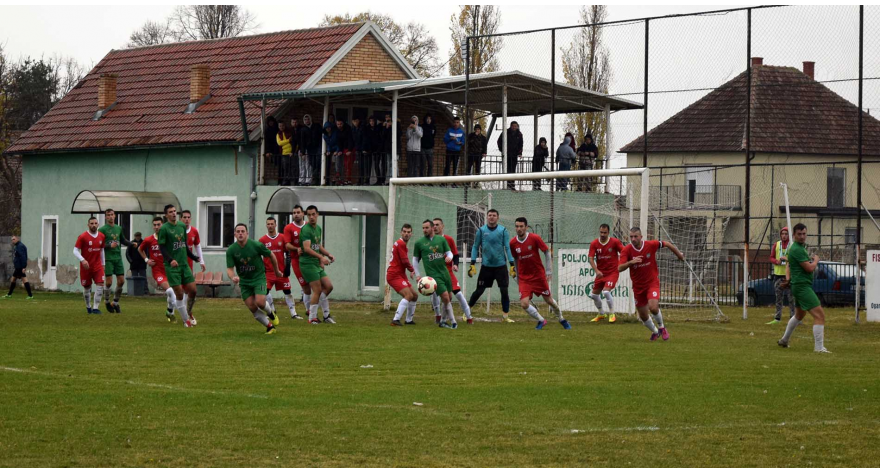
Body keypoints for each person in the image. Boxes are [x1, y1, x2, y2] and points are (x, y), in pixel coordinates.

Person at [618, 227, 685, 341]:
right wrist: (631, 262)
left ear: (641, 237)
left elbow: (667, 243)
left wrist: (679, 254)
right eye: (631, 237)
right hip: (638, 287)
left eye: (635, 236)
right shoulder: (627, 250)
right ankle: (655, 332)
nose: (633, 239)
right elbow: (619, 268)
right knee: (643, 316)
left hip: (651, 283)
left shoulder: (650, 245)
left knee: (653, 307)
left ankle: (662, 327)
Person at [777, 223, 831, 353]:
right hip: (802, 287)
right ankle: (819, 348)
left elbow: (789, 265)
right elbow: (809, 268)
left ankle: (784, 340)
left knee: (799, 315)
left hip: (798, 285)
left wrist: (789, 279)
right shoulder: (797, 249)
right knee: (820, 315)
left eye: (804, 234)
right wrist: (816, 260)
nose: (802, 237)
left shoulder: (797, 248)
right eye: (799, 234)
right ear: (794, 235)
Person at [510, 217, 569, 330]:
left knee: (549, 301)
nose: (519, 229)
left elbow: (546, 251)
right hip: (524, 278)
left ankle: (561, 318)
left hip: (538, 276)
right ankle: (541, 320)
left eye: (521, 226)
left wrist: (548, 270)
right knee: (524, 304)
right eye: (517, 226)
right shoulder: (512, 243)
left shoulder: (534, 238)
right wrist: (517, 275)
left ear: (526, 227)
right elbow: (516, 259)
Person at [226, 223, 282, 335]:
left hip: (258, 278)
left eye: (243, 231)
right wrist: (233, 277)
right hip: (244, 281)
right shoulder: (231, 250)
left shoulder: (256, 245)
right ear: (235, 234)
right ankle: (270, 327)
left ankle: (271, 313)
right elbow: (230, 269)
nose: (240, 233)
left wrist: (276, 271)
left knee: (260, 302)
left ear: (247, 233)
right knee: (252, 306)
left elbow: (271, 255)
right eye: (238, 231)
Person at [467, 209, 516, 322]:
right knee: (479, 290)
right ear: (487, 217)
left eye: (494, 215)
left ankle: (505, 316)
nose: (491, 217)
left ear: (498, 217)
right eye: (489, 215)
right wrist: (472, 263)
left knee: (504, 291)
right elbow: (475, 247)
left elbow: (507, 247)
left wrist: (512, 264)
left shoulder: (503, 230)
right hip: (486, 267)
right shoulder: (481, 230)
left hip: (501, 267)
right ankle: (467, 311)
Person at [157, 204, 201, 328]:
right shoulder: (164, 229)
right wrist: (170, 260)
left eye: (175, 211)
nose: (173, 213)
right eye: (170, 212)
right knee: (179, 293)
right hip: (172, 267)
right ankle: (186, 320)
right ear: (166, 215)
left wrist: (193, 257)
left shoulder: (181, 226)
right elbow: (162, 247)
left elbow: (184, 245)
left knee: (193, 290)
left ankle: (188, 312)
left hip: (184, 264)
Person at [412, 220, 456, 329]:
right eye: (423, 228)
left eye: (426, 228)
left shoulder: (441, 239)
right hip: (433, 275)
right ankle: (453, 322)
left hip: (444, 272)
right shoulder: (419, 243)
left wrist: (449, 257)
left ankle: (442, 321)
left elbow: (449, 252)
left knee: (449, 297)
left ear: (432, 228)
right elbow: (415, 260)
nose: (424, 230)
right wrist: (418, 275)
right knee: (445, 297)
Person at [433, 218, 473, 324]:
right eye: (433, 225)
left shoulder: (448, 239)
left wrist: (455, 264)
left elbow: (455, 255)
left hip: (448, 272)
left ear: (442, 226)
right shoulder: (429, 241)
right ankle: (438, 316)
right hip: (435, 272)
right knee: (434, 293)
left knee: (458, 293)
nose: (435, 227)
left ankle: (469, 317)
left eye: (437, 224)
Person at [300, 205, 336, 324]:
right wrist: (321, 257)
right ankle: (312, 318)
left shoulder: (318, 228)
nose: (311, 217)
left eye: (313, 214)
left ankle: (325, 316)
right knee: (317, 289)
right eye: (309, 215)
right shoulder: (306, 229)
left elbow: (317, 246)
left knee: (329, 286)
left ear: (317, 214)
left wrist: (328, 254)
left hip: (315, 263)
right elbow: (307, 248)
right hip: (307, 264)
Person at [139, 217, 177, 322]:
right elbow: (140, 249)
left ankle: (170, 311)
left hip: (169, 269)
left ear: (163, 225)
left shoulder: (169, 238)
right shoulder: (149, 239)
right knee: (170, 290)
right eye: (154, 225)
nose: (156, 227)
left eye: (158, 224)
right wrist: (147, 260)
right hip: (157, 271)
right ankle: (180, 311)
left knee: (171, 292)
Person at [260, 217, 299, 319]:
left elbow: (288, 253)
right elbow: (259, 256)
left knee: (287, 291)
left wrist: (288, 266)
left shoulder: (282, 237)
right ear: (266, 225)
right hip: (269, 272)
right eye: (268, 224)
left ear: (276, 225)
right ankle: (272, 310)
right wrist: (261, 268)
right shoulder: (262, 240)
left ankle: (293, 313)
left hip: (281, 271)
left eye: (272, 224)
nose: (270, 226)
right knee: (265, 292)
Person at [588, 223, 625, 323]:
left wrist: (621, 264)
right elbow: (590, 258)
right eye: (601, 232)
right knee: (594, 295)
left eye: (605, 232)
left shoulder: (615, 242)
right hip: (601, 273)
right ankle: (601, 313)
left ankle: (612, 314)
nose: (603, 234)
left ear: (608, 233)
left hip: (612, 272)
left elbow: (624, 252)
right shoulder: (594, 243)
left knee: (606, 291)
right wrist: (597, 271)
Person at [99, 209, 132, 313]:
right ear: (105, 217)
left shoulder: (118, 228)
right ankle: (107, 301)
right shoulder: (102, 230)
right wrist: (109, 245)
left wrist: (132, 244)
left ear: (115, 216)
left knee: (121, 281)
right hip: (108, 259)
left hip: (118, 258)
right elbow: (99, 245)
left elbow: (123, 240)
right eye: (108, 215)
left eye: (112, 214)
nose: (110, 217)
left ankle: (115, 303)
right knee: (108, 283)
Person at [388, 224, 419, 326]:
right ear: (401, 232)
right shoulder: (401, 244)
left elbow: (403, 261)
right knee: (408, 295)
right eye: (404, 231)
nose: (406, 234)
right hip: (394, 275)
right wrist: (412, 270)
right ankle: (395, 320)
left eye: (408, 232)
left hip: (400, 274)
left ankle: (409, 320)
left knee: (414, 296)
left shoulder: (400, 244)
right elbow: (405, 261)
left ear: (411, 234)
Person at [284, 204, 311, 318]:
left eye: (298, 212)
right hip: (297, 261)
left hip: (310, 259)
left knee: (317, 285)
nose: (296, 214)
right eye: (294, 213)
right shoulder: (289, 228)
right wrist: (297, 249)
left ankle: (323, 312)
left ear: (303, 213)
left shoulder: (309, 226)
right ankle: (309, 310)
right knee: (305, 287)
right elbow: (287, 245)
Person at [74, 217, 105, 314]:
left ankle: (95, 308)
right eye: (91, 223)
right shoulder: (83, 236)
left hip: (97, 266)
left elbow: (102, 250)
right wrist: (83, 260)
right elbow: (75, 250)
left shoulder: (102, 236)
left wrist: (103, 264)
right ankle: (88, 306)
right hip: (86, 267)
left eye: (95, 223)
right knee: (87, 287)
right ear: (88, 225)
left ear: (98, 224)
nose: (94, 225)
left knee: (100, 285)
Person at [768, 226, 796, 325]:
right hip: (778, 275)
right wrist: (776, 261)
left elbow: (796, 259)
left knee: (791, 298)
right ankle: (777, 318)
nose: (784, 236)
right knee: (778, 298)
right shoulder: (776, 245)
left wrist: (787, 259)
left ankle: (793, 318)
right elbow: (771, 257)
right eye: (782, 234)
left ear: (789, 235)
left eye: (786, 234)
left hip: (788, 276)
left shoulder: (792, 246)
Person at [181, 210, 206, 319]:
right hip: (177, 264)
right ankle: (171, 309)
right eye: (184, 217)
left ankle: (186, 312)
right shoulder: (177, 231)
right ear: (181, 219)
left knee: (188, 288)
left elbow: (198, 246)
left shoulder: (194, 231)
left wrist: (201, 261)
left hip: (188, 265)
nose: (186, 219)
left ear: (191, 219)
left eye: (188, 217)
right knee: (176, 289)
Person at [497, 121, 524, 190]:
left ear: (517, 126)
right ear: (511, 126)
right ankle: (507, 185)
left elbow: (521, 144)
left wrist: (520, 153)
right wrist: (502, 150)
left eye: (516, 126)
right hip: (506, 155)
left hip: (514, 155)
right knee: (507, 169)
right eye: (513, 126)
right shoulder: (506, 132)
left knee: (513, 170)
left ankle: (512, 185)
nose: (514, 127)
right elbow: (499, 141)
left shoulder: (519, 134)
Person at [300, 114, 323, 185]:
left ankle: (318, 179)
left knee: (318, 161)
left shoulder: (316, 126)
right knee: (312, 163)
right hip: (310, 149)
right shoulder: (303, 129)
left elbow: (322, 134)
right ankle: (315, 178)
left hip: (318, 147)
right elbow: (302, 141)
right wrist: (303, 152)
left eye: (308, 119)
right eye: (305, 120)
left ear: (311, 119)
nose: (307, 121)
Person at [336, 119, 355, 185]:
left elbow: (350, 140)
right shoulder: (337, 131)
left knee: (348, 165)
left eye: (340, 124)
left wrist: (349, 150)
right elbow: (339, 141)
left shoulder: (348, 129)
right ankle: (341, 179)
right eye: (338, 124)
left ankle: (348, 180)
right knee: (342, 164)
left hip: (349, 148)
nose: (339, 125)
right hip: (343, 149)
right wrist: (340, 150)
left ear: (343, 123)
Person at [363, 117, 382, 185]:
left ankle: (379, 180)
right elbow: (366, 139)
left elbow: (380, 139)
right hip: (369, 149)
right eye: (370, 121)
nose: (372, 122)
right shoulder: (367, 129)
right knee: (368, 165)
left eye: (373, 121)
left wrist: (378, 149)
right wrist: (366, 149)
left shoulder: (377, 128)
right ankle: (367, 180)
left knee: (377, 165)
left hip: (377, 150)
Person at [276, 120, 294, 186]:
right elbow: (279, 143)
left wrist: (293, 151)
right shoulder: (278, 134)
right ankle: (286, 181)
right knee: (285, 168)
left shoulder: (289, 132)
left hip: (291, 153)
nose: (281, 127)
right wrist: (288, 140)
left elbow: (293, 141)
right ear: (278, 127)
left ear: (285, 125)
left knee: (292, 168)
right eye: (280, 126)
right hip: (284, 153)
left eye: (282, 125)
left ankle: (292, 181)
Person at [351, 117, 365, 184]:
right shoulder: (353, 128)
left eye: (356, 121)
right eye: (354, 121)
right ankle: (359, 179)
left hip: (362, 149)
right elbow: (353, 138)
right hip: (357, 149)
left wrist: (363, 149)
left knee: (363, 165)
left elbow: (360, 137)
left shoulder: (362, 127)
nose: (355, 123)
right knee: (358, 165)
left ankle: (362, 179)